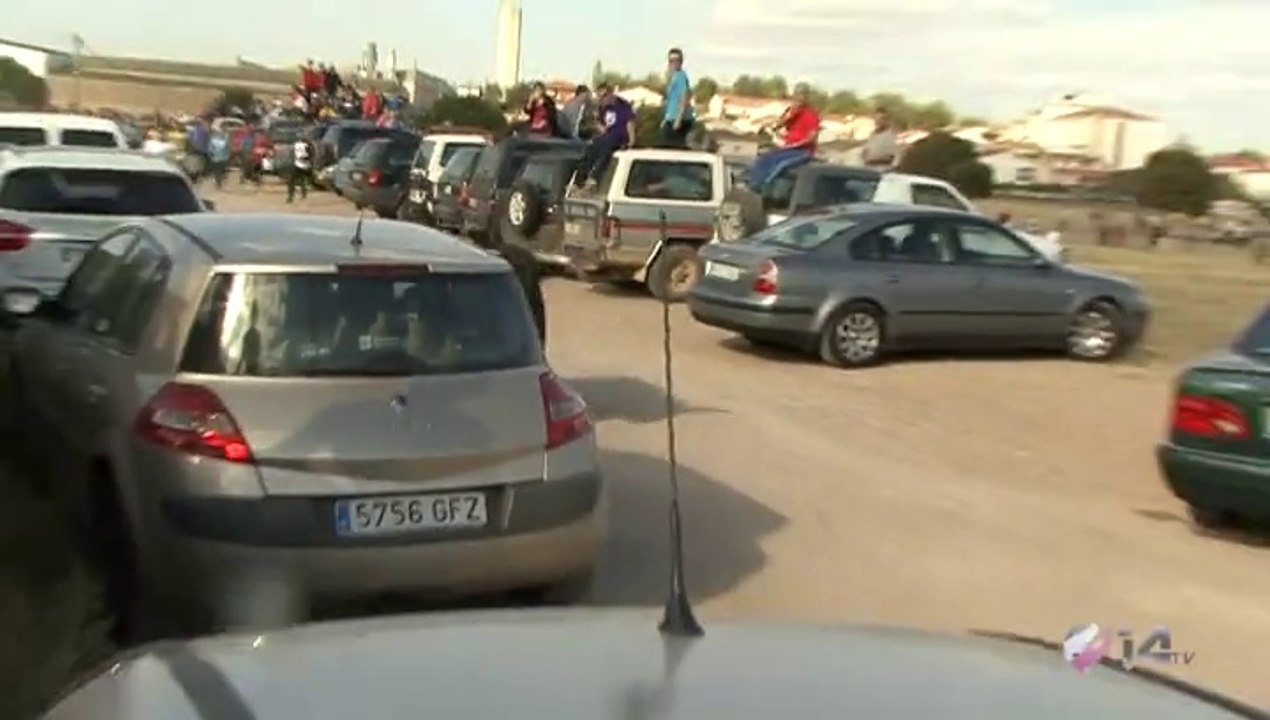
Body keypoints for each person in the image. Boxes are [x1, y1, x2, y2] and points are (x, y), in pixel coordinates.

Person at [748, 83, 821, 188]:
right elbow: (779, 124)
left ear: (806, 97)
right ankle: (754, 184)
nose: (798, 98)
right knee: (764, 158)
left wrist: (795, 145)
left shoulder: (811, 114)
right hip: (788, 148)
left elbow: (812, 137)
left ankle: (764, 186)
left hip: (803, 151)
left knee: (779, 165)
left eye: (801, 95)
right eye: (796, 94)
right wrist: (769, 126)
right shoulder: (792, 112)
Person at [575, 84, 635, 190]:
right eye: (599, 97)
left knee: (606, 149)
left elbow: (630, 122)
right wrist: (599, 126)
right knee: (591, 147)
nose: (601, 100)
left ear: (611, 95)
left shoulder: (622, 105)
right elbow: (599, 123)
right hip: (607, 135)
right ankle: (579, 179)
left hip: (619, 136)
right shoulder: (602, 107)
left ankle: (595, 177)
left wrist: (632, 139)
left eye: (603, 96)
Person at [660, 47, 694, 148]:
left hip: (679, 119)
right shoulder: (673, 77)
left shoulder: (681, 76)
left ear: (681, 62)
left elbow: (684, 97)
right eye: (671, 61)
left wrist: (678, 119)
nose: (673, 63)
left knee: (673, 148)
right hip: (671, 118)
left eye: (676, 60)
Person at [287, 134, 314, 203]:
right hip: (298, 164)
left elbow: (311, 155)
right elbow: (292, 153)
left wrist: (304, 159)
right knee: (294, 180)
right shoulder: (297, 144)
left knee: (299, 179)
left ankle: (299, 194)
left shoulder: (307, 145)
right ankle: (291, 196)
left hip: (304, 165)